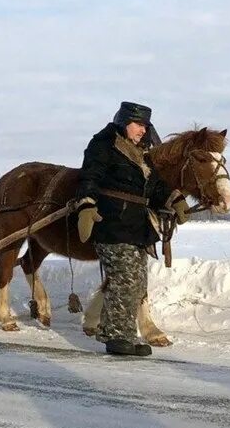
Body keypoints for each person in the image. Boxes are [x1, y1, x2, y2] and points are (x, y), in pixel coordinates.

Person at [75, 101, 190, 357]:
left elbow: (155, 185)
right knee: (123, 282)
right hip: (113, 224)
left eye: (145, 125)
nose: (142, 130)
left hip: (137, 226)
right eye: (138, 124)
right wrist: (86, 205)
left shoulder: (142, 153)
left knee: (137, 284)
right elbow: (89, 176)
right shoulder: (103, 144)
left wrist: (174, 198)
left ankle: (126, 335)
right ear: (124, 121)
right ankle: (116, 336)